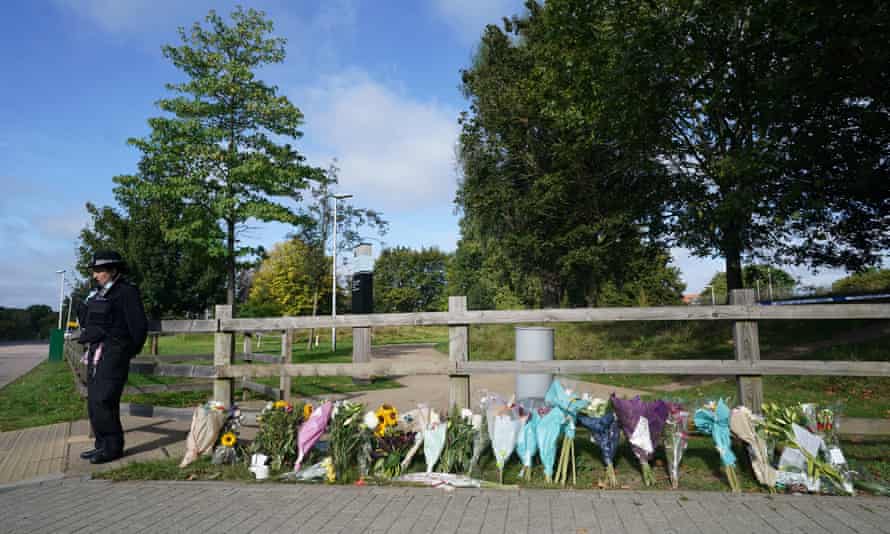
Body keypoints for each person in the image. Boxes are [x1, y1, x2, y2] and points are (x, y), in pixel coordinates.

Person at [77, 250, 148, 464]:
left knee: (104, 400)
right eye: (94, 271)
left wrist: (124, 352)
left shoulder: (126, 292)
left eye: (99, 271)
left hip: (113, 353)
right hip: (96, 352)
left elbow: (139, 327)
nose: (95, 275)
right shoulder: (97, 293)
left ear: (113, 270)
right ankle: (101, 445)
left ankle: (113, 447)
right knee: (94, 402)